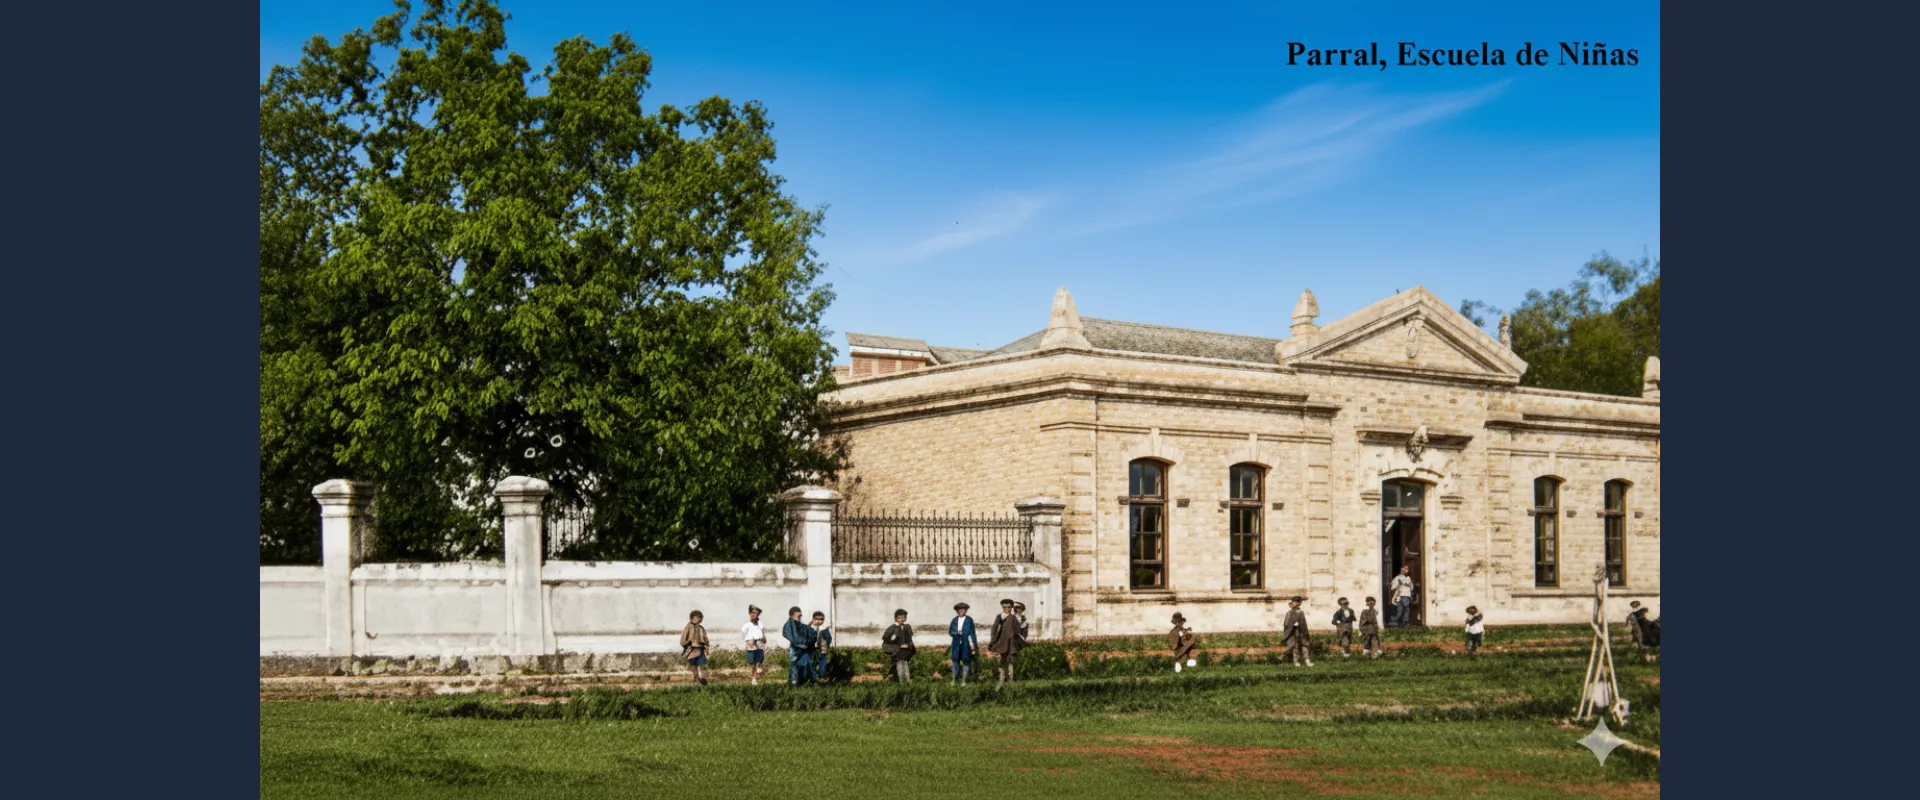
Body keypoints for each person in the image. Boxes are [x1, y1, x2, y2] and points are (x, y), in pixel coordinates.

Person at [988, 598, 1027, 686]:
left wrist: (1022, 625)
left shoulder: (1013, 618)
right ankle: (1001, 678)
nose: (1006, 609)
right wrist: (992, 641)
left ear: (1011, 608)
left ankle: (1010, 678)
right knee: (1002, 660)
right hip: (1001, 642)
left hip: (1011, 643)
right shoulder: (999, 617)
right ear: (1002, 607)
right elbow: (994, 629)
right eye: (1004, 607)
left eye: (1008, 607)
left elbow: (1017, 630)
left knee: (1011, 661)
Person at [781, 606, 816, 686]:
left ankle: (804, 682)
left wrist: (809, 640)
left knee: (805, 665)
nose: (800, 618)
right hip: (795, 650)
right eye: (798, 616)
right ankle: (794, 683)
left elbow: (810, 632)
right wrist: (804, 643)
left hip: (803, 649)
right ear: (792, 616)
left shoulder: (800, 625)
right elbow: (794, 637)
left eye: (801, 616)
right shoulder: (789, 625)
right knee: (795, 666)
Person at [948, 602, 979, 685]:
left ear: (966, 610)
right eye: (959, 609)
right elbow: (950, 631)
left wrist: (973, 644)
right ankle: (954, 679)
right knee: (955, 660)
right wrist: (956, 632)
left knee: (966, 660)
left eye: (963, 609)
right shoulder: (954, 620)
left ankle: (964, 680)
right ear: (957, 611)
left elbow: (972, 633)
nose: (961, 610)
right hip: (956, 644)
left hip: (966, 643)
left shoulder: (969, 620)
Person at [882, 609, 916, 682]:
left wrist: (908, 645)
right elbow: (888, 639)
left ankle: (907, 678)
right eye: (900, 618)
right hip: (894, 648)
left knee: (905, 662)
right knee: (899, 662)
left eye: (904, 617)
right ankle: (900, 678)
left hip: (903, 649)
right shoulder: (892, 628)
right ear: (896, 618)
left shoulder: (906, 627)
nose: (902, 619)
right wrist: (899, 645)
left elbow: (909, 638)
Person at [679, 610, 710, 685]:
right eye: (697, 618)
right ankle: (696, 678)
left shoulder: (701, 628)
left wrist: (706, 647)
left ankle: (699, 678)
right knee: (693, 666)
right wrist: (687, 644)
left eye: (700, 618)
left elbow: (705, 639)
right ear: (692, 618)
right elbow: (683, 639)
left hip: (700, 649)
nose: (699, 620)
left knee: (700, 665)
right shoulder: (688, 627)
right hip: (692, 649)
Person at [1281, 596, 1313, 666]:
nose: (1297, 603)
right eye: (1295, 602)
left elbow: (1304, 623)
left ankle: (1307, 660)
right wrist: (1292, 625)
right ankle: (1296, 661)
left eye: (1299, 602)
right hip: (1293, 632)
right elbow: (1286, 623)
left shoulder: (1301, 612)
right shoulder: (1290, 612)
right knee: (1295, 646)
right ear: (1292, 602)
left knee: (1305, 645)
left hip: (1301, 631)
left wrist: (1305, 631)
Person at [741, 605, 767, 686]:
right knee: (753, 663)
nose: (753, 615)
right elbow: (744, 635)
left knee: (760, 659)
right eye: (752, 613)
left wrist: (764, 638)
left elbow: (762, 632)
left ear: (758, 615)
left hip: (759, 643)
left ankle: (760, 667)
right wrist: (748, 640)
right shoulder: (747, 625)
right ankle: (753, 678)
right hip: (751, 645)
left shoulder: (760, 624)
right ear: (749, 613)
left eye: (755, 613)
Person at [810, 612, 834, 683]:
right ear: (813, 619)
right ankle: (813, 676)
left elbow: (829, 638)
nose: (819, 621)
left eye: (821, 619)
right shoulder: (810, 627)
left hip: (823, 648)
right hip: (812, 648)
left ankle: (822, 675)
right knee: (812, 662)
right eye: (817, 619)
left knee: (822, 662)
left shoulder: (824, 629)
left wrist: (826, 645)